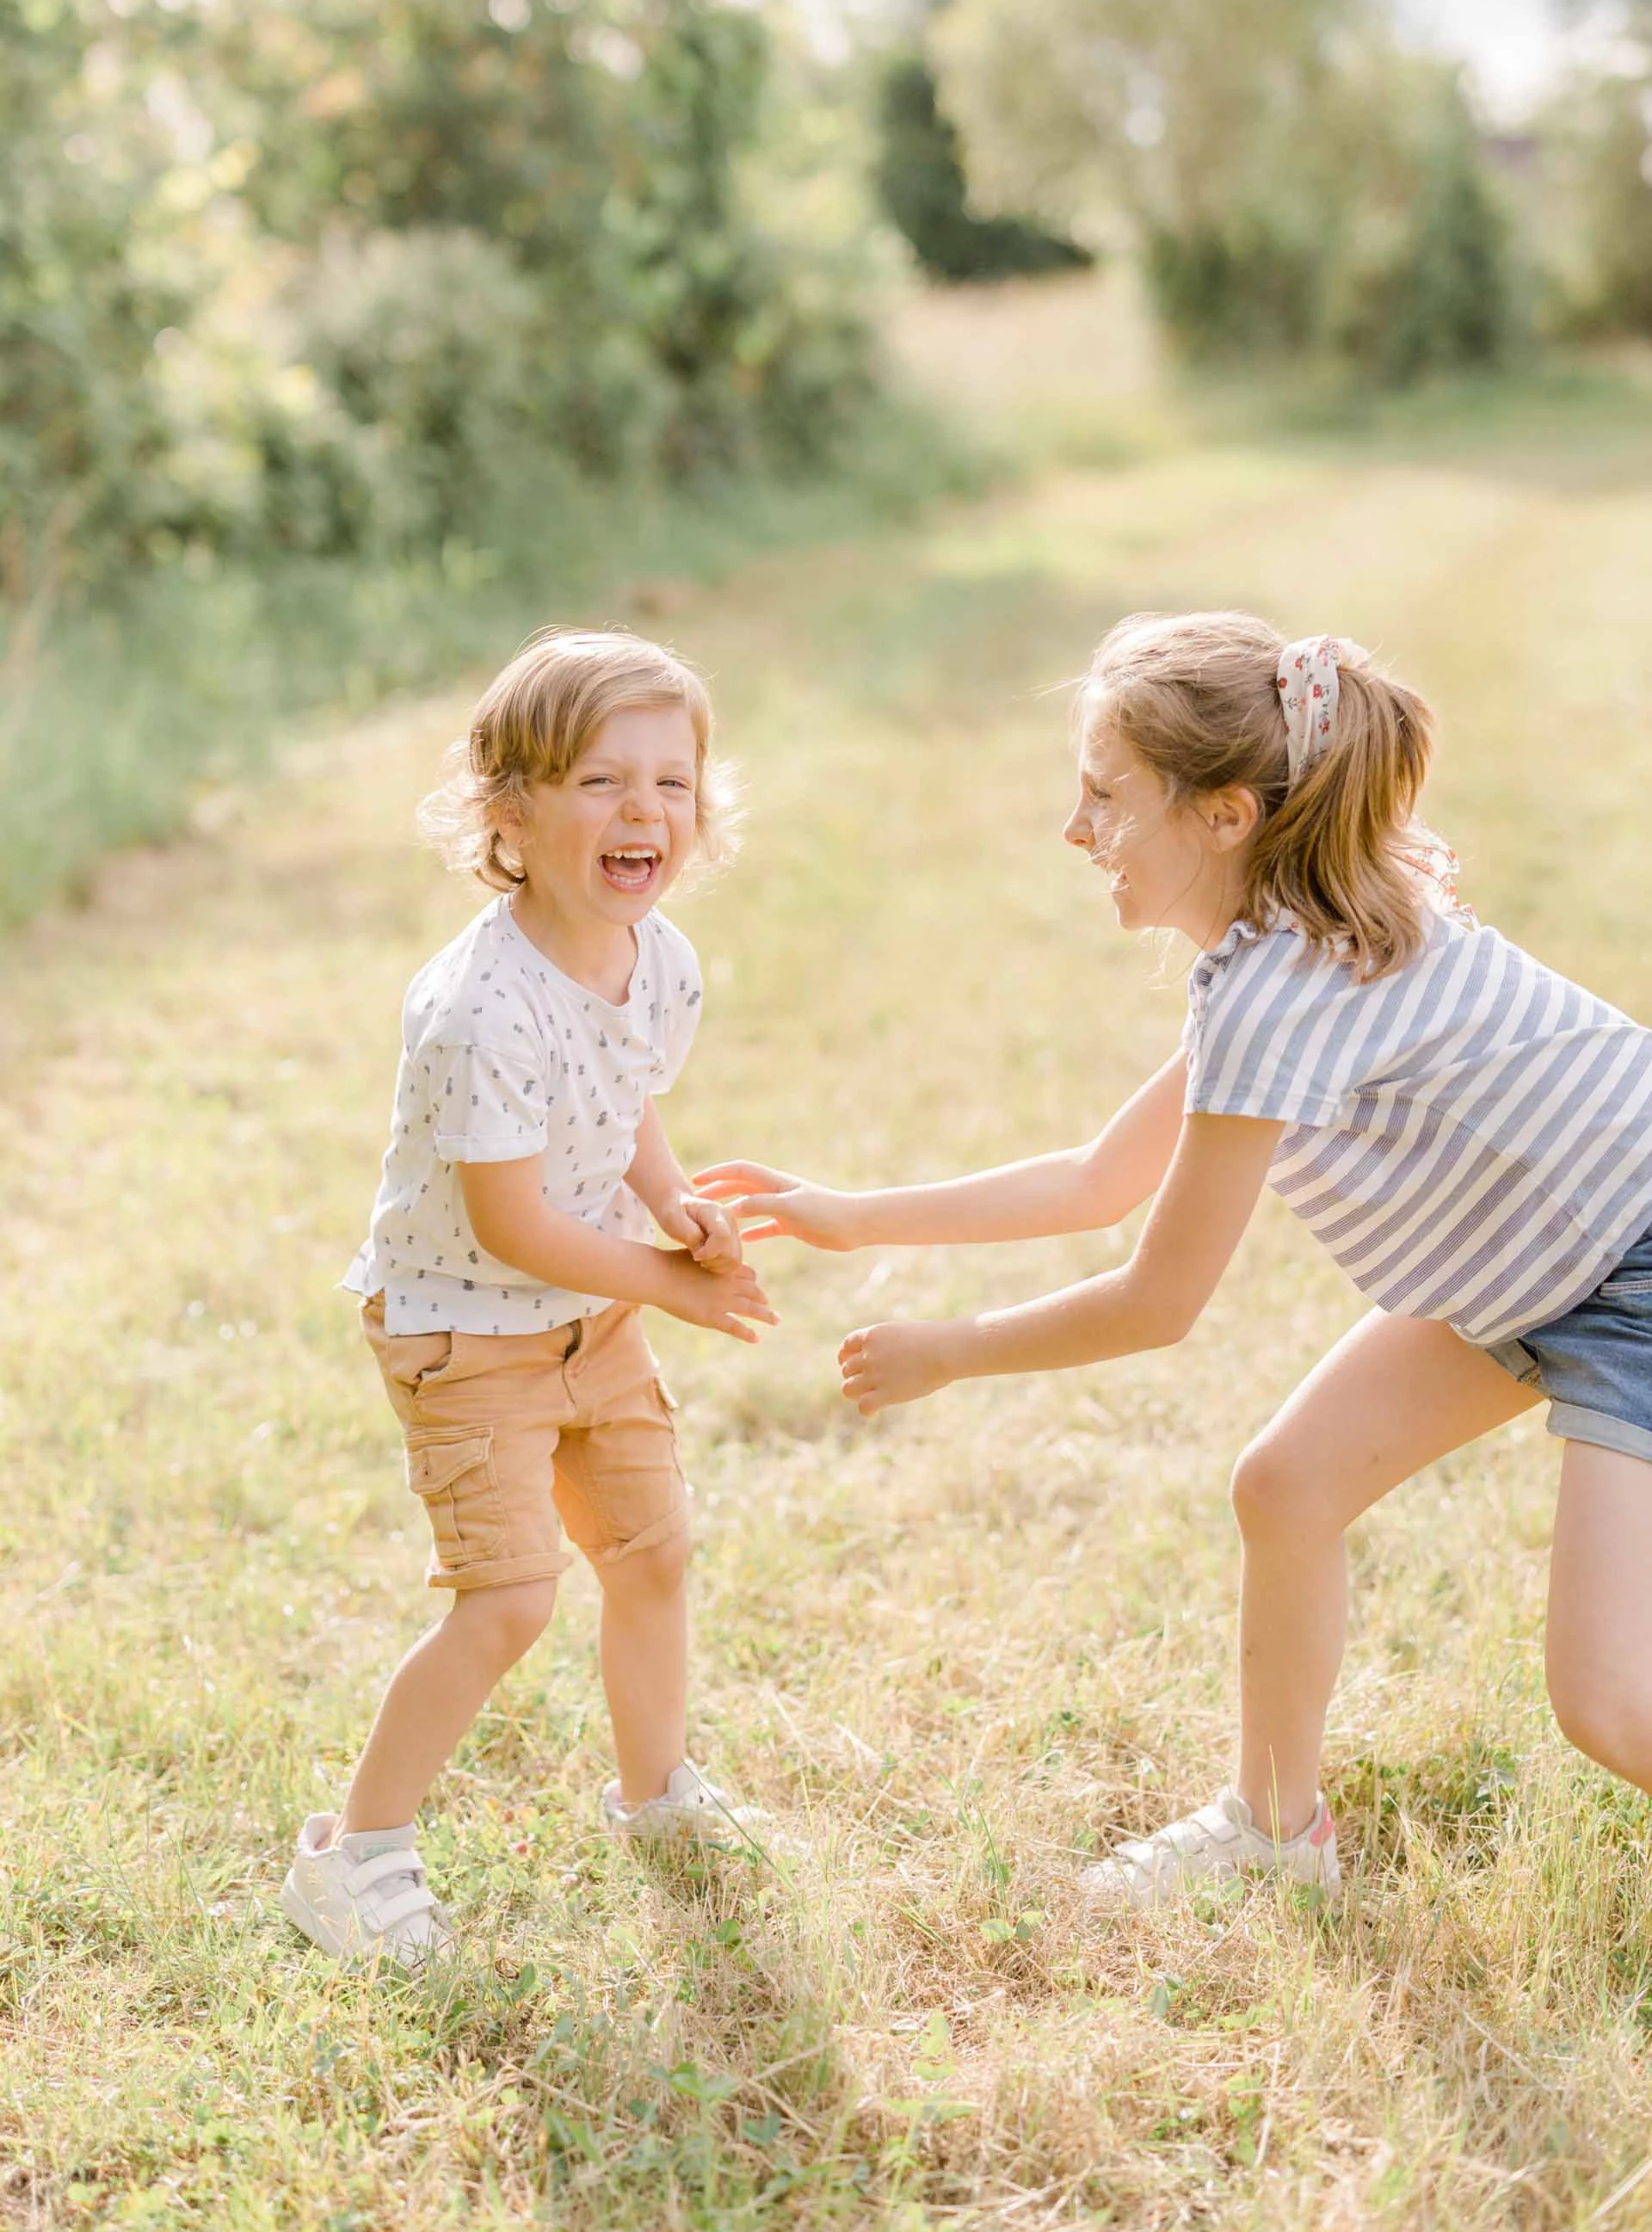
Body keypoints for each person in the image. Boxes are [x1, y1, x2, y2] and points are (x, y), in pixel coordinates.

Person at [697, 612, 1652, 1908]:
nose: (1075, 830)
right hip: (1545, 1270)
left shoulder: (1279, 989)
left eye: (1105, 797)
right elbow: (1101, 1174)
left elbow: (1159, 1301)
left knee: (1607, 1699)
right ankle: (1273, 1831)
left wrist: (952, 1353)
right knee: (1289, 1484)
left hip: (1628, 1268)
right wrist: (854, 1215)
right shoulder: (1283, 942)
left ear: (1225, 816)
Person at [282, 627, 776, 1963]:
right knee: (509, 1601)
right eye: (601, 782)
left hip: (587, 1311)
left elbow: (625, 1107)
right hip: (464, 1327)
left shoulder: (657, 955)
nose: (644, 812)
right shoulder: (476, 1009)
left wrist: (673, 1203)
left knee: (651, 1551)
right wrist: (669, 1282)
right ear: (509, 810)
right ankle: (357, 1855)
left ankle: (656, 1796)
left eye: (672, 784)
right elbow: (514, 1223)